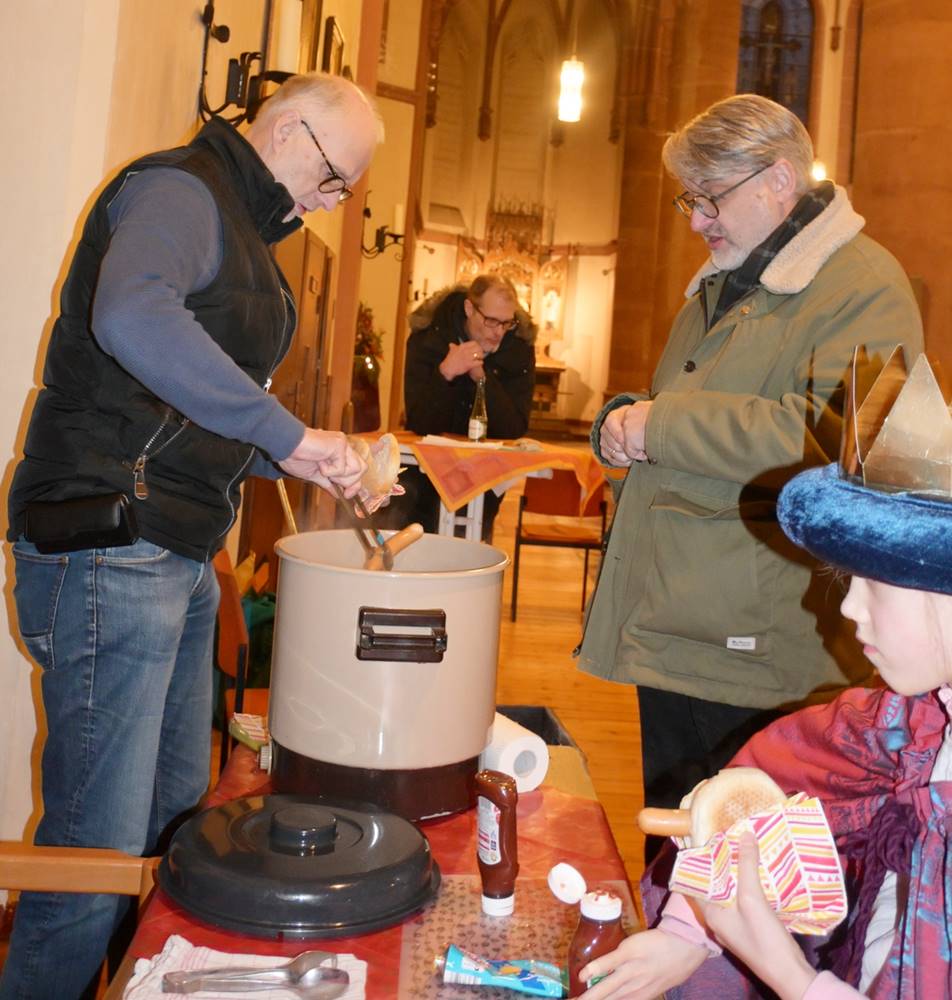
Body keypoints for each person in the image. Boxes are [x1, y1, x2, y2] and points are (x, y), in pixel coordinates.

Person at [1, 72, 381, 1000]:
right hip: (113, 541)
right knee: (95, 854)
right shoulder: (181, 188)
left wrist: (299, 462)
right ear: (289, 131)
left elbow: (178, 415)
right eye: (334, 178)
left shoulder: (243, 228)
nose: (332, 201)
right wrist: (290, 436)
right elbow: (131, 315)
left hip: (168, 547)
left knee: (175, 825)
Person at [577, 94, 923, 857]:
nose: (697, 220)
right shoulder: (725, 282)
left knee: (738, 870)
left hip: (754, 640)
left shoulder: (867, 285)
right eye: (690, 200)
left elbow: (842, 441)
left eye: (710, 197)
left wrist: (658, 425)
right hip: (677, 618)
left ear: (779, 179)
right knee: (674, 854)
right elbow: (687, 418)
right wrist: (628, 425)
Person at [575, 445, 952, 998]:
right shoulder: (902, 725)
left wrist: (791, 977)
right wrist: (689, 929)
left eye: (876, 583)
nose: (848, 608)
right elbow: (770, 787)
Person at [379, 274, 536, 541]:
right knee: (417, 537)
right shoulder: (428, 338)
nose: (499, 332)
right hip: (424, 478)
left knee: (469, 544)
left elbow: (514, 427)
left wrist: (482, 379)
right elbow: (419, 421)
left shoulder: (518, 349)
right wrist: (446, 372)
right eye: (491, 321)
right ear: (469, 308)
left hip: (485, 479)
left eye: (507, 323)